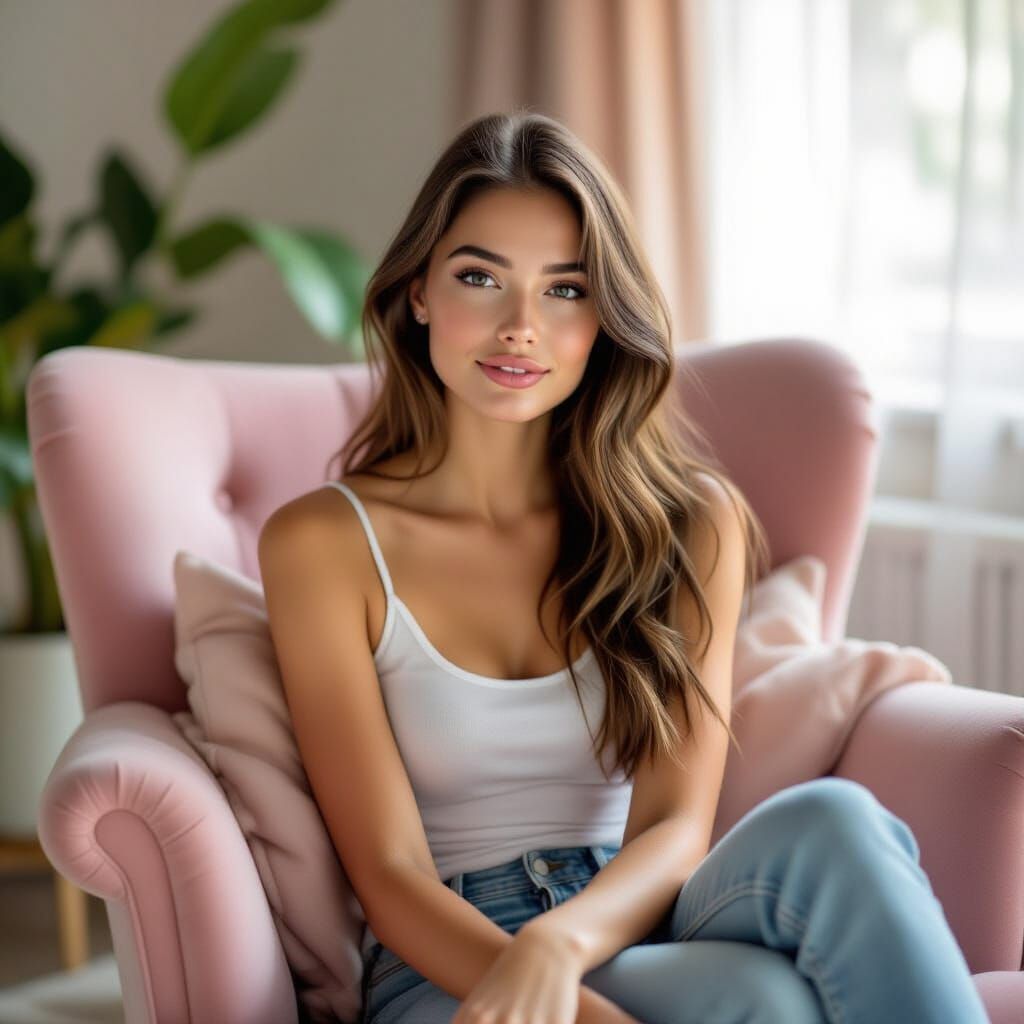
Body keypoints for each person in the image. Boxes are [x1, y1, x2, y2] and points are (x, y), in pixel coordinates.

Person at [257, 111, 989, 1024]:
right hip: (447, 966)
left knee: (839, 822)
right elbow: (390, 872)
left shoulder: (689, 522)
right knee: (765, 999)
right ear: (417, 293)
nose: (519, 327)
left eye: (565, 290)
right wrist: (552, 989)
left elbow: (678, 825)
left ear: (604, 317)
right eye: (480, 277)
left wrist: (561, 942)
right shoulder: (324, 545)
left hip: (636, 916)